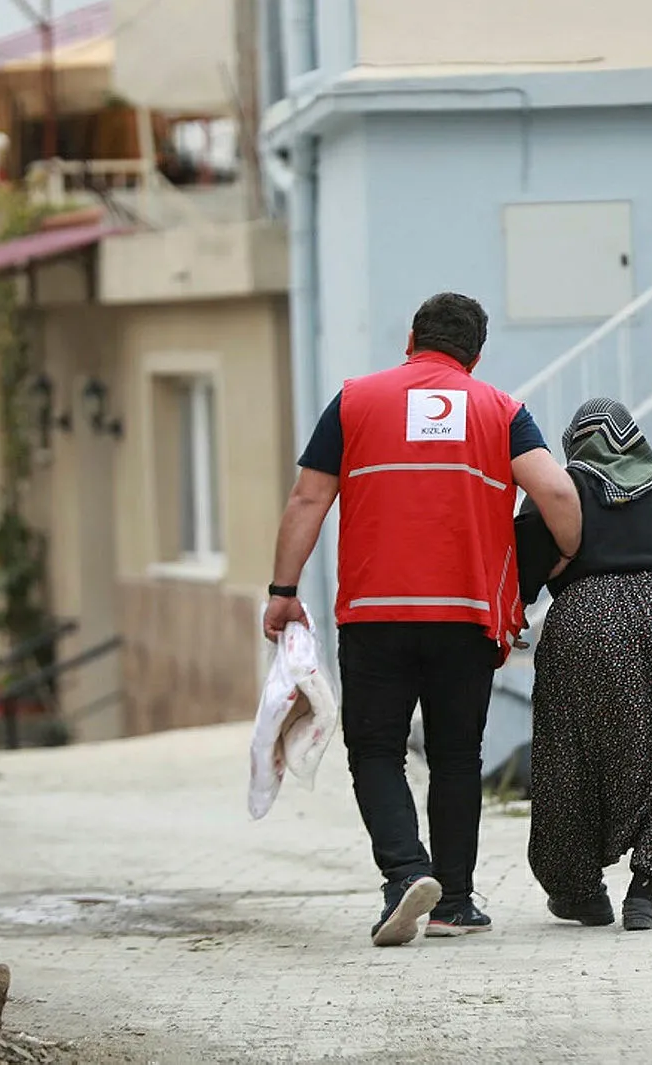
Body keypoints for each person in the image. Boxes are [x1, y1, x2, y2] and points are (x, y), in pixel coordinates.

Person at [263, 292, 581, 948]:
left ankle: (405, 872)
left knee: (376, 747)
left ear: (411, 338)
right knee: (457, 754)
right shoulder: (501, 410)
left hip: (375, 613)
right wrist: (568, 553)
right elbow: (553, 490)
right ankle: (455, 901)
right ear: (477, 353)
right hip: (466, 616)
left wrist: (283, 590)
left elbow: (308, 496)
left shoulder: (355, 401)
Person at [514, 397, 652, 932]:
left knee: (572, 756)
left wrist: (512, 616)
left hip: (589, 620)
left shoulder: (561, 489)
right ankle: (645, 891)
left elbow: (520, 571)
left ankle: (579, 892)